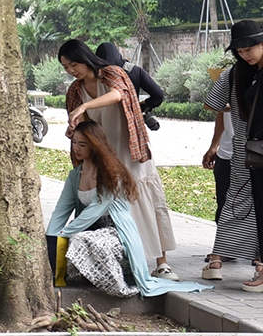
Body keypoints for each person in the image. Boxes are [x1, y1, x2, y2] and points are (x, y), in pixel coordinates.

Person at [47, 121, 210, 297]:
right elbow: (61, 210)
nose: (76, 148)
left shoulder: (110, 173)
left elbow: (95, 210)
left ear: (94, 146)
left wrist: (65, 232)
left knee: (80, 239)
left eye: (82, 144)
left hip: (117, 234)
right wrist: (50, 237)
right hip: (89, 230)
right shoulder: (74, 176)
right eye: (74, 142)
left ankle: (121, 287)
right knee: (71, 240)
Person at [60, 38, 178, 279]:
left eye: (74, 64)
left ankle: (162, 262)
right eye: (66, 67)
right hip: (103, 153)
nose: (71, 70)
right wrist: (75, 126)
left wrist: (84, 107)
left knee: (146, 200)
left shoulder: (112, 73)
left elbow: (118, 94)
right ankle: (129, 264)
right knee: (114, 208)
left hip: (130, 147)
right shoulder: (75, 90)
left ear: (85, 58)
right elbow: (80, 126)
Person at [201, 19, 263, 291]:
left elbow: (211, 104)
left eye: (249, 48)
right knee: (241, 205)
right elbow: (210, 104)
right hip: (246, 152)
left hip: (245, 150)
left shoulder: (232, 74)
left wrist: (233, 108)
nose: (245, 54)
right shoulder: (234, 74)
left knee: (238, 204)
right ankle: (252, 262)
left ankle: (218, 260)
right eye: (239, 50)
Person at [95, 43, 164, 131]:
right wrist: (142, 106)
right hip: (131, 124)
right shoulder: (135, 71)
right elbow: (158, 95)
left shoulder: (95, 74)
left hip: (102, 126)